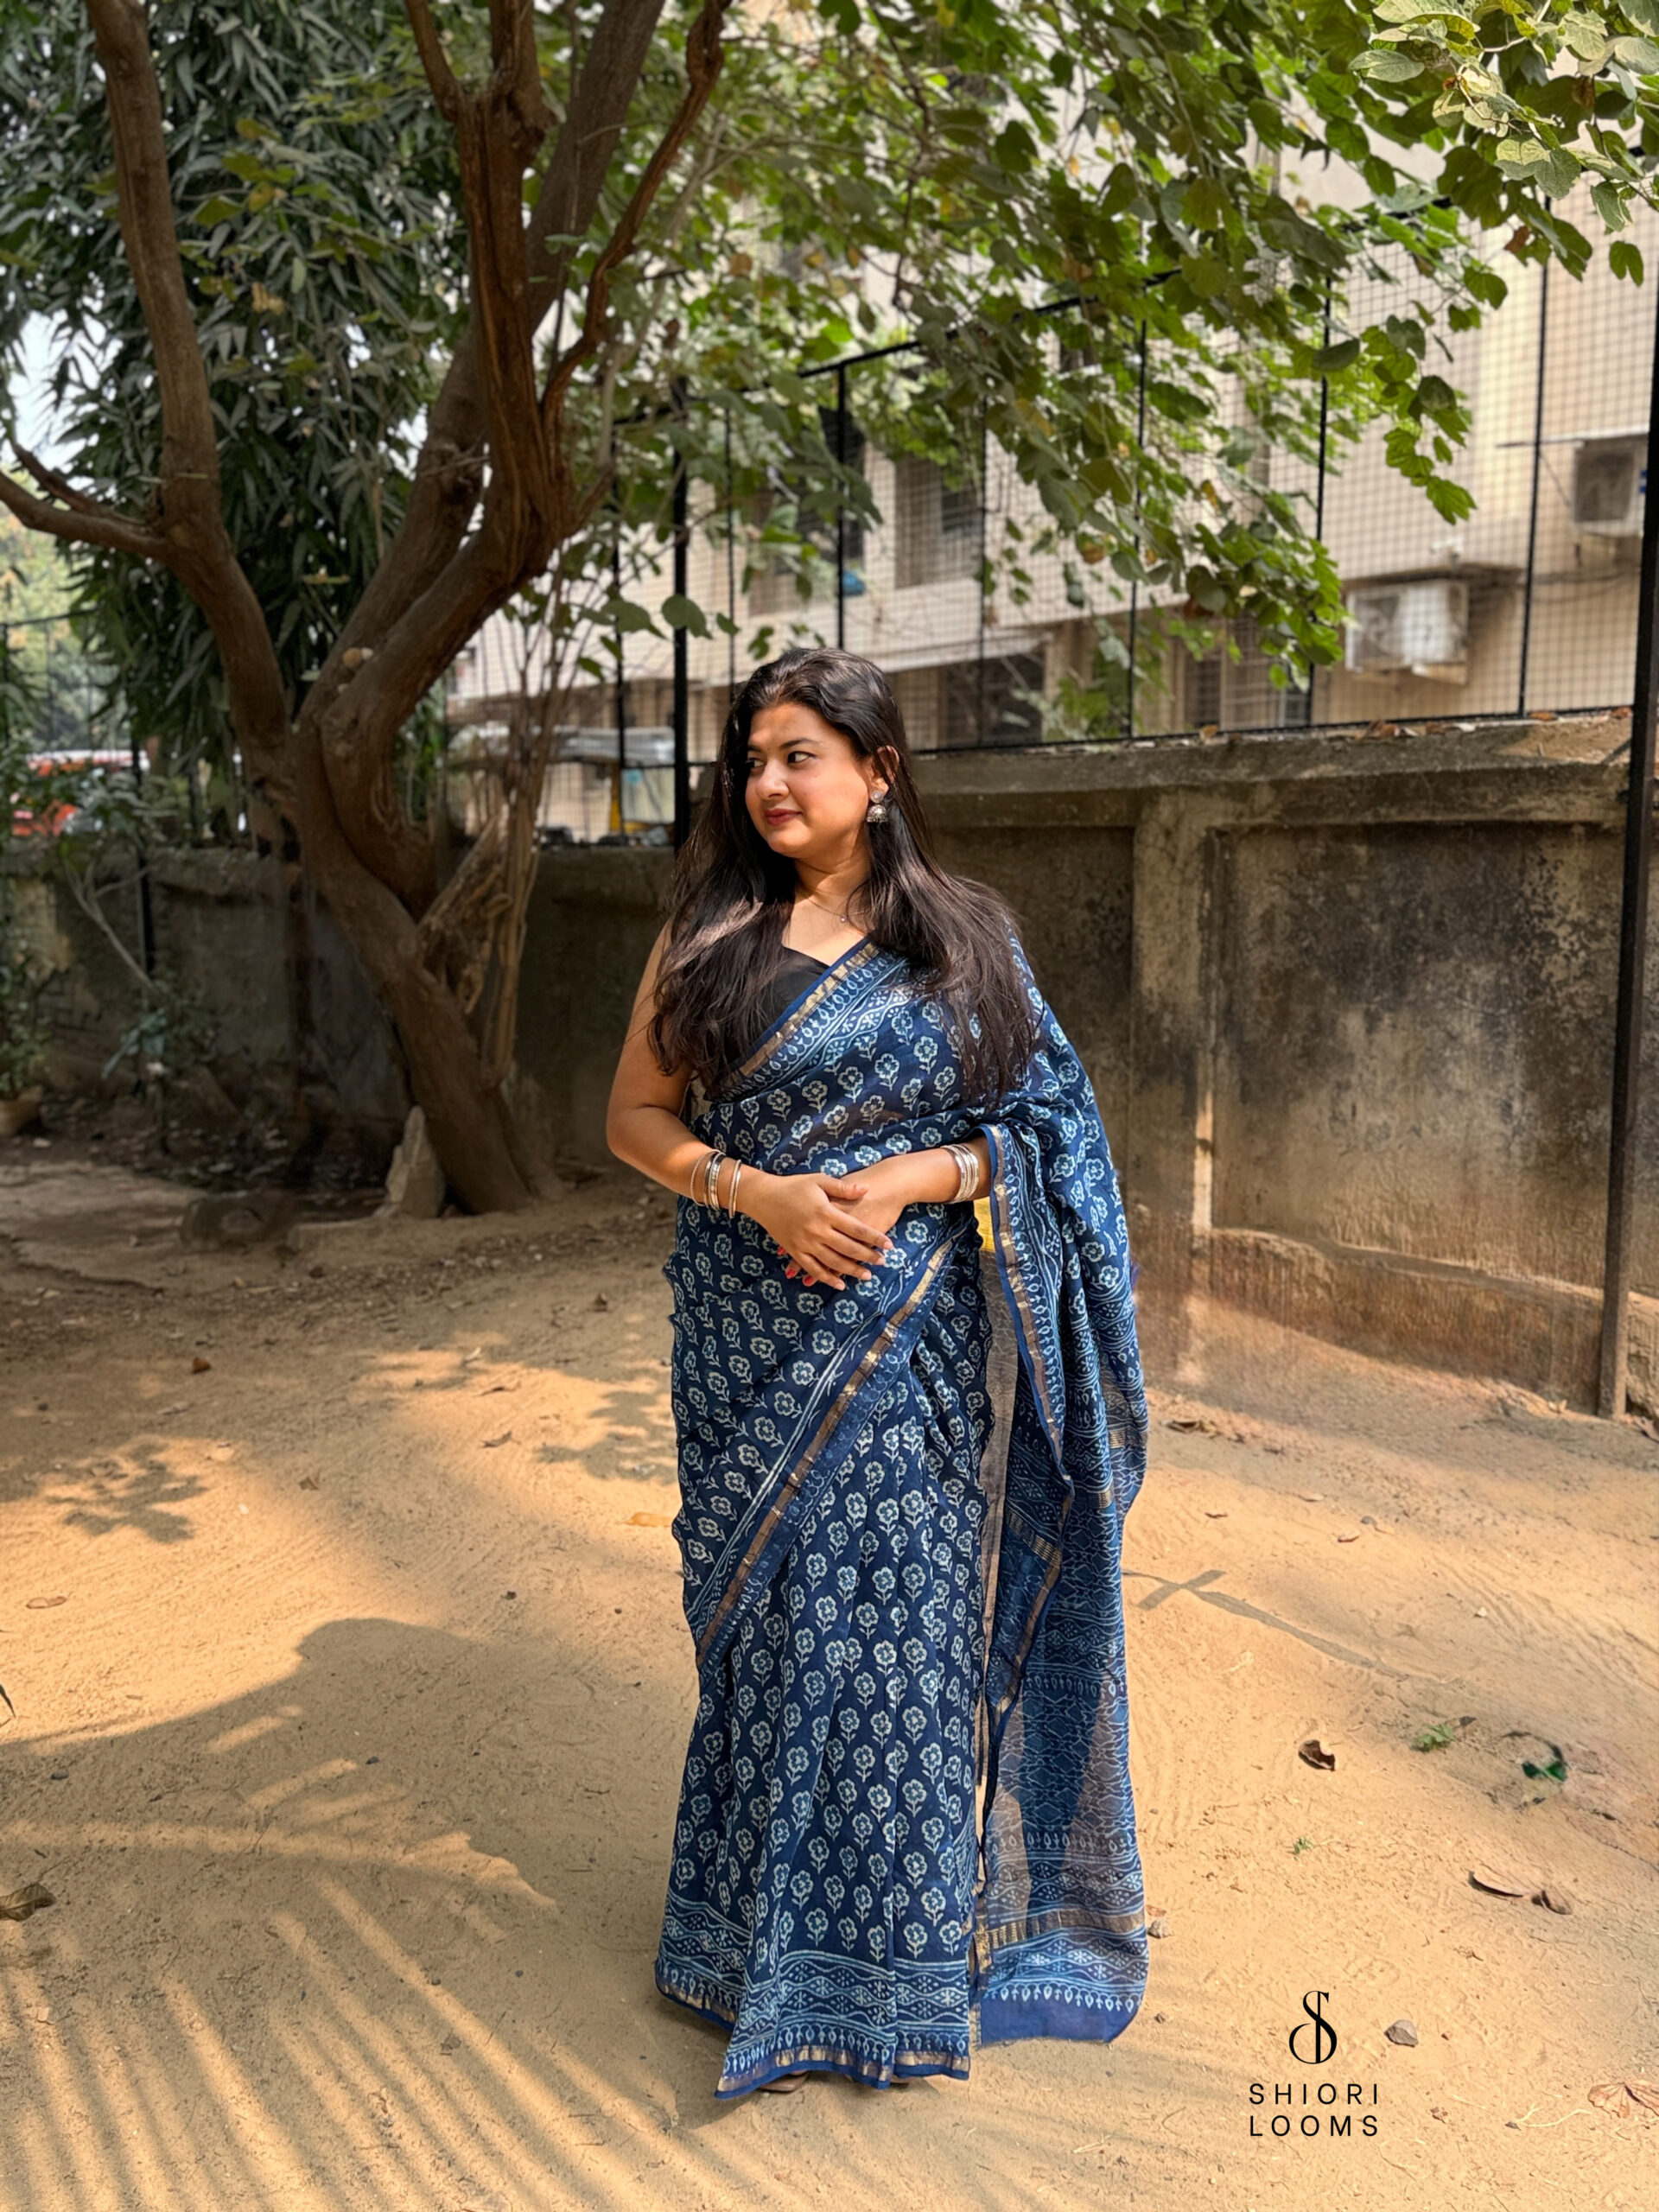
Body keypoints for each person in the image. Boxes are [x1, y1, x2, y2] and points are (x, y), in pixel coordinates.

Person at [606, 645, 1148, 2099]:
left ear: (878, 773)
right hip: (747, 1343)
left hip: (911, 1355)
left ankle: (895, 1976)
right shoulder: (708, 939)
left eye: (801, 755)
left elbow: (1052, 1134)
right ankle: (744, 1958)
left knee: (903, 1642)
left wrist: (917, 1174)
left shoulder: (965, 942)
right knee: (772, 1645)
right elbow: (634, 1123)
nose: (770, 783)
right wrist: (755, 1193)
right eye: (754, 758)